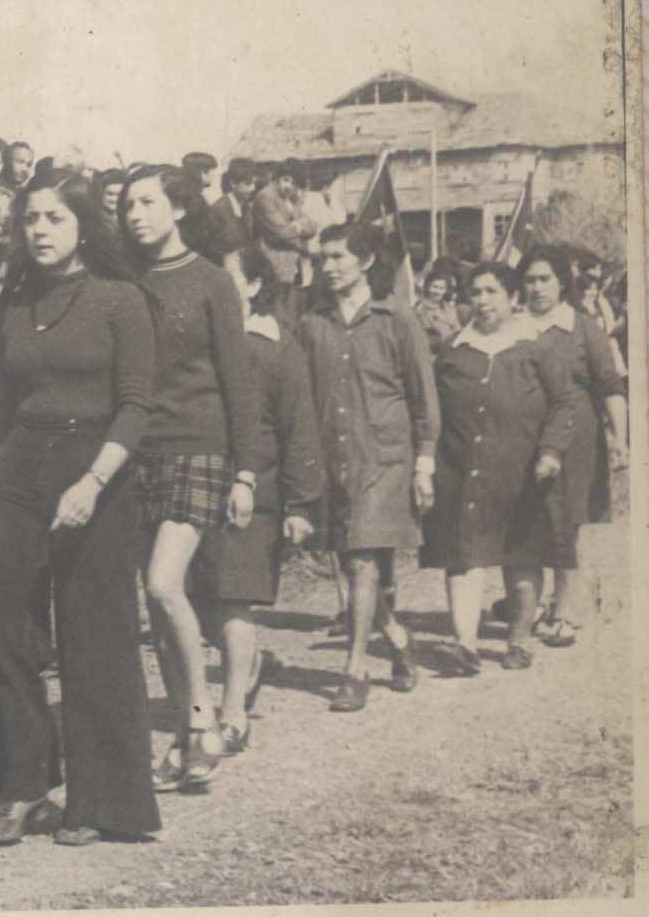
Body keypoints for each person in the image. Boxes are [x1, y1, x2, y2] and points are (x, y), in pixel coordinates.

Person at [0, 167, 160, 847]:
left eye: (53, 217)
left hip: (96, 475)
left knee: (92, 635)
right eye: (30, 219)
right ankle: (23, 785)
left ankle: (99, 798)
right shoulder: (14, 303)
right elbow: (0, 415)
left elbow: (136, 402)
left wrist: (93, 481)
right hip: (21, 470)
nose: (39, 230)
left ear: (81, 225)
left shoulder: (119, 298)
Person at [118, 165, 262, 792]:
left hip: (200, 450)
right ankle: (184, 735)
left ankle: (203, 722)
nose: (134, 215)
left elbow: (238, 382)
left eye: (147, 203)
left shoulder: (210, 282)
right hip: (137, 455)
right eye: (127, 206)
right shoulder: (123, 283)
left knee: (162, 584)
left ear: (177, 208)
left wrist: (247, 472)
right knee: (156, 605)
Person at [301, 222, 438, 713]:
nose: (328, 266)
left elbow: (424, 396)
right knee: (348, 558)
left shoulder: (397, 319)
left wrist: (425, 462)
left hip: (384, 458)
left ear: (365, 261)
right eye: (322, 258)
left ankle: (354, 668)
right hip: (332, 459)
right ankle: (399, 639)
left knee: (361, 558)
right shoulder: (312, 322)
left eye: (337, 256)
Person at [191, 246, 321, 753]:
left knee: (231, 599)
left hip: (255, 492)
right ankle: (248, 667)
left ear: (252, 285)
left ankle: (233, 711)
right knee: (194, 599)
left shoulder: (274, 345)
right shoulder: (202, 340)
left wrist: (301, 504)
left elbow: (299, 425)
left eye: (228, 279)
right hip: (198, 482)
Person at [422, 261, 577, 675]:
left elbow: (564, 403)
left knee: (520, 554)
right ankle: (464, 645)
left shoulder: (537, 347)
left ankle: (520, 639)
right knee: (463, 554)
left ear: (512, 298)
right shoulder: (456, 348)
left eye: (492, 292)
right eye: (475, 293)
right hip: (462, 468)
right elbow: (433, 407)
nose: (483, 301)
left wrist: (551, 452)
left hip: (523, 469)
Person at [520, 245, 627, 650]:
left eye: (545, 279)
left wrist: (622, 439)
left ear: (562, 281)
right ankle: (535, 602)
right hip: (525, 439)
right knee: (528, 523)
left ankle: (563, 611)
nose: (537, 288)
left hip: (576, 439)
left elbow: (609, 386)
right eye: (530, 280)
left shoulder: (582, 327)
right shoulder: (515, 326)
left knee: (565, 525)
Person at [251, 161, 315, 286]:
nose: (289, 186)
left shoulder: (289, 197)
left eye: (294, 183)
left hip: (291, 259)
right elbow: (282, 233)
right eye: (286, 180)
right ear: (277, 177)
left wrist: (296, 225)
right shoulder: (265, 196)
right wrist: (300, 224)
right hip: (273, 260)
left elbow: (312, 227)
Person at [414, 263, 463, 353]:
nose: (437, 292)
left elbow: (457, 329)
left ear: (445, 290)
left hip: (453, 350)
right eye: (434, 287)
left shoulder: (449, 308)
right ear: (428, 287)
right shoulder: (420, 309)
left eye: (441, 288)